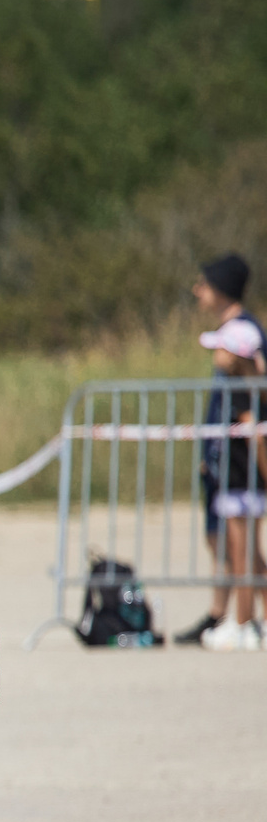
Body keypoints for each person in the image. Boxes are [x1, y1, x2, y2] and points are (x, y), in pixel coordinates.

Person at [183, 254, 265, 650]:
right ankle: (247, 620)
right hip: (231, 459)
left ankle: (245, 622)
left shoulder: (248, 398)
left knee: (242, 545)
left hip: (243, 463)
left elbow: (253, 419)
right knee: (242, 546)